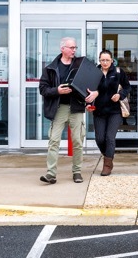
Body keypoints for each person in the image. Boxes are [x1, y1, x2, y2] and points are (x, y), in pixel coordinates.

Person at [38, 36, 96, 184]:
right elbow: (43, 89)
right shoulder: (50, 68)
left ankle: (77, 172)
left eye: (75, 48)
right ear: (62, 48)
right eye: (71, 48)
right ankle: (51, 174)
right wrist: (57, 91)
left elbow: (91, 82)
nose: (74, 50)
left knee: (77, 141)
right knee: (54, 141)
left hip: (76, 108)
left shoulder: (80, 64)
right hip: (59, 109)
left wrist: (92, 96)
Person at [90, 49, 131, 176]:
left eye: (107, 60)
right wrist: (88, 104)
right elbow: (88, 91)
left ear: (112, 60)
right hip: (99, 112)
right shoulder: (94, 73)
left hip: (115, 111)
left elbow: (128, 87)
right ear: (99, 60)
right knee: (100, 139)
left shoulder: (118, 72)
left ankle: (107, 165)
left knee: (109, 138)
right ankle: (108, 155)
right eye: (103, 60)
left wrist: (119, 95)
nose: (105, 62)